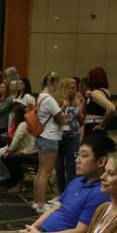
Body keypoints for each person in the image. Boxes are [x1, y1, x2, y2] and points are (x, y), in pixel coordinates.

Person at [33, 72, 67, 213]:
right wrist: (64, 109)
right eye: (57, 84)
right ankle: (41, 204)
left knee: (41, 171)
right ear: (52, 83)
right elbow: (61, 119)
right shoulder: (49, 99)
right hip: (50, 137)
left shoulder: (40, 97)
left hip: (42, 136)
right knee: (46, 172)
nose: (58, 87)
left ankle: (36, 201)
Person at [0, 102, 36, 190]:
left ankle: (13, 179)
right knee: (3, 156)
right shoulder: (19, 124)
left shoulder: (23, 124)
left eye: (14, 114)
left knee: (6, 157)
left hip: (27, 151)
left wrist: (9, 151)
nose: (12, 116)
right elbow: (15, 140)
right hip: (22, 149)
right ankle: (9, 178)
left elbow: (16, 141)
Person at [56, 77, 84, 192]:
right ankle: (61, 192)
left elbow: (81, 120)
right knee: (59, 168)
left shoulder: (78, 102)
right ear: (64, 88)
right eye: (70, 88)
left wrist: (81, 108)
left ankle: (70, 192)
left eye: (75, 88)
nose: (73, 90)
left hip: (73, 138)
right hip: (59, 138)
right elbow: (55, 118)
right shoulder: (57, 100)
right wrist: (63, 106)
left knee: (72, 167)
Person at [82, 67, 116, 134]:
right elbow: (83, 110)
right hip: (94, 124)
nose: (88, 79)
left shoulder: (96, 93)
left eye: (89, 77)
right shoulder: (104, 91)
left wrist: (101, 125)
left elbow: (111, 109)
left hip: (93, 124)